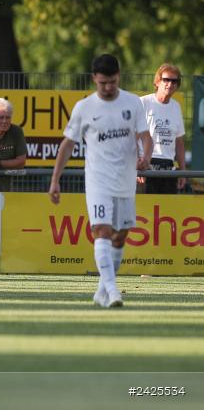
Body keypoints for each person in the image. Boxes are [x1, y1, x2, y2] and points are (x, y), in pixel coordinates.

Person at [48, 54, 153, 308]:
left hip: (125, 181)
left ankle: (101, 292)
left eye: (112, 82)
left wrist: (146, 156)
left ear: (119, 76)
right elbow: (67, 144)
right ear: (94, 78)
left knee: (120, 236)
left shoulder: (132, 103)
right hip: (98, 182)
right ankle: (114, 292)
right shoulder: (84, 108)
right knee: (102, 232)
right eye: (103, 83)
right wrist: (55, 180)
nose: (108, 88)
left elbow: (145, 135)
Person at [141, 64, 186, 194]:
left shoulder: (176, 107)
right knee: (143, 213)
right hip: (146, 167)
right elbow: (132, 137)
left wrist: (182, 171)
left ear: (177, 85)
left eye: (174, 81)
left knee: (166, 212)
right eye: (166, 79)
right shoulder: (143, 103)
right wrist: (137, 167)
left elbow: (179, 142)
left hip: (168, 168)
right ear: (158, 81)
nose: (170, 84)